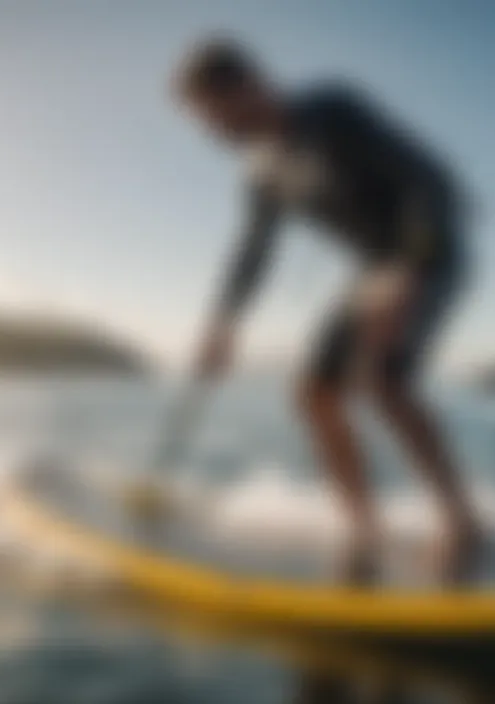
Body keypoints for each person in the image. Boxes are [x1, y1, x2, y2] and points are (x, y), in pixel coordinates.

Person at [174, 38, 479, 584]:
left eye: (213, 115)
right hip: (371, 272)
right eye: (204, 121)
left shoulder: (331, 112)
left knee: (382, 381)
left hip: (428, 253)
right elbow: (252, 251)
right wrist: (223, 324)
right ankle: (364, 527)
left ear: (248, 86)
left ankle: (461, 521)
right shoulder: (261, 169)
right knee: (313, 393)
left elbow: (427, 182)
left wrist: (410, 269)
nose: (212, 132)